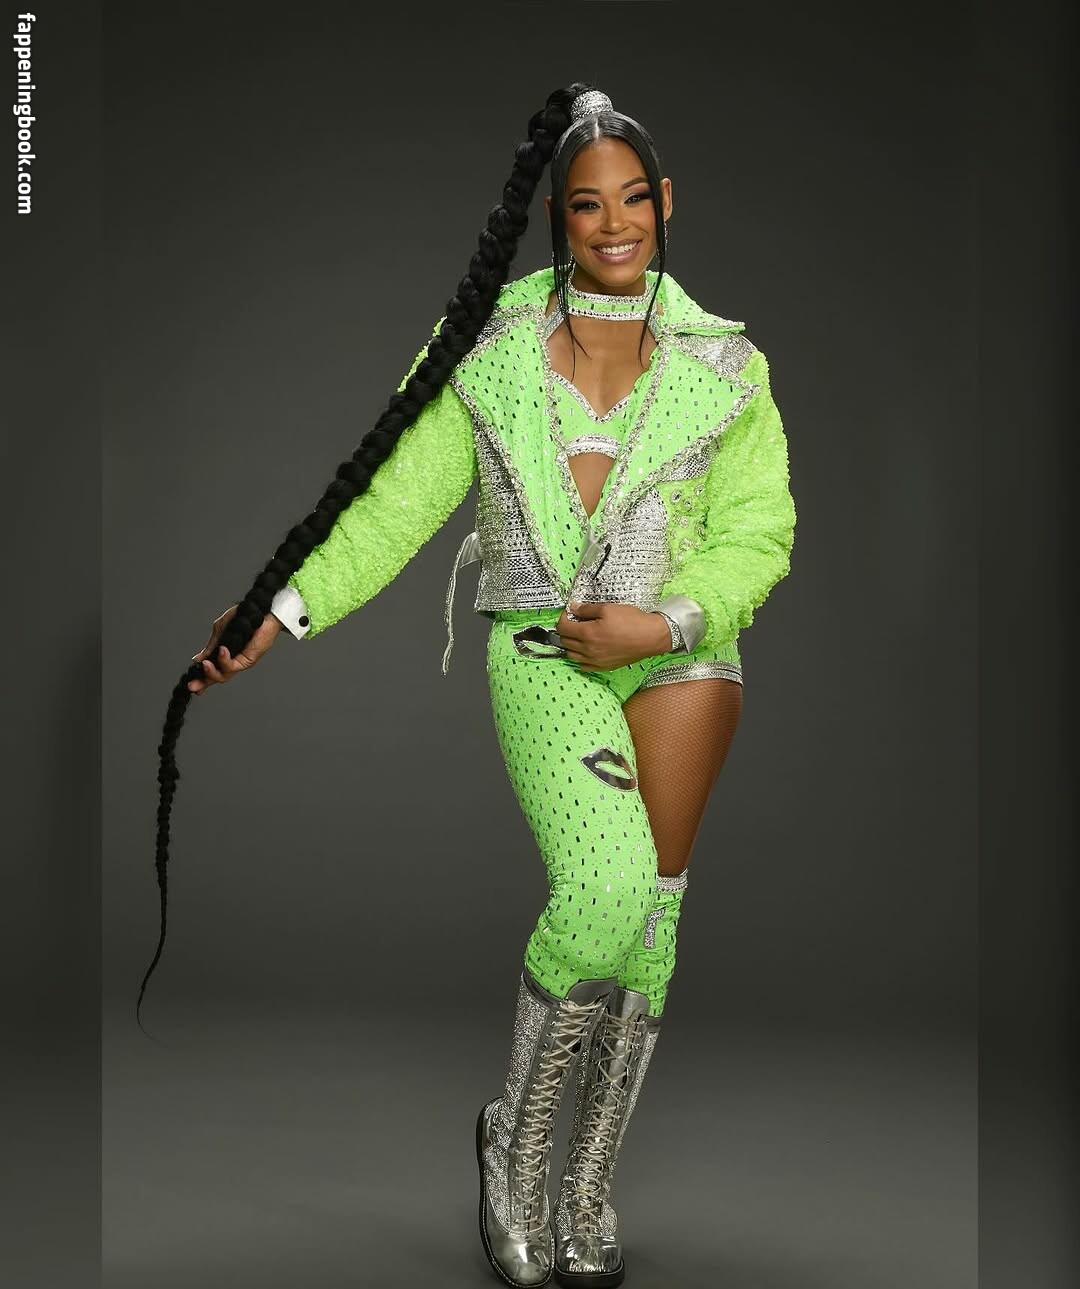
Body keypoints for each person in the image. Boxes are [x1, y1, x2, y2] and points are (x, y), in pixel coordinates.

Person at [148, 84, 796, 1289]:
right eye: (588, 205)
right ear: (556, 216)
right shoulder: (488, 348)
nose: (615, 224)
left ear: (665, 203)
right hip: (546, 646)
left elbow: (759, 530)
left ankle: (587, 1181)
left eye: (634, 199)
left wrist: (669, 617)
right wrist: (278, 611)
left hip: (680, 648)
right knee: (603, 885)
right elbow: (394, 505)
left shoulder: (729, 364)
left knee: (652, 919)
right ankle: (516, 1145)